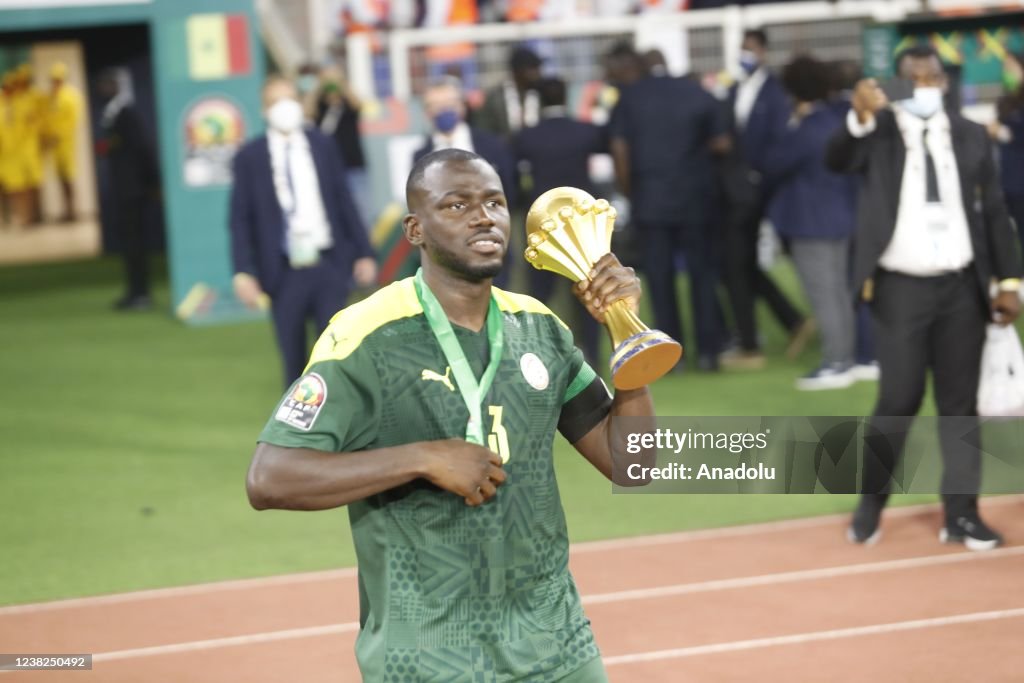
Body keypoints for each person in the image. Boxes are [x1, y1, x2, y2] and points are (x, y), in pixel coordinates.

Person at [246, 148, 656, 681]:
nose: (483, 216)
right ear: (415, 230)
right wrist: (421, 459)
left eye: (494, 202)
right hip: (429, 659)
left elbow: (638, 465)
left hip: (557, 646)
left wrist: (627, 334)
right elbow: (270, 478)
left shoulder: (540, 327)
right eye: (457, 205)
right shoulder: (366, 337)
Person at [827, 45, 1022, 549]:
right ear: (896, 85)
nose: (924, 87)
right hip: (900, 288)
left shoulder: (970, 133)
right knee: (899, 398)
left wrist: (1009, 282)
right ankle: (869, 505)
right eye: (912, 80)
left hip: (961, 287)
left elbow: (995, 212)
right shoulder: (881, 132)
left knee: (959, 405)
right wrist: (861, 115)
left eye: (932, 77)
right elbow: (838, 159)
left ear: (945, 81)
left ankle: (961, 515)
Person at [229, 76, 377, 387]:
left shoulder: (322, 145)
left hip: (329, 263)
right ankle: (297, 433)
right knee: (293, 361)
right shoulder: (250, 157)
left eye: (289, 99)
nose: (284, 107)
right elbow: (240, 218)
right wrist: (243, 271)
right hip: (283, 271)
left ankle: (343, 428)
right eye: (275, 102)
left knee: (336, 355)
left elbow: (344, 200)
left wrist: (363, 252)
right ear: (263, 110)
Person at [609, 49, 728, 371]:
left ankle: (672, 356)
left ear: (644, 68)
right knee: (702, 276)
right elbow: (722, 143)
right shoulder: (695, 92)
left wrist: (630, 190)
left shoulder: (630, 98)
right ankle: (709, 353)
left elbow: (620, 149)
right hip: (696, 199)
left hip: (650, 200)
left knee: (660, 281)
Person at [762, 56, 859, 390]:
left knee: (825, 295)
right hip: (842, 215)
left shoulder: (803, 130)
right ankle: (846, 357)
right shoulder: (837, 119)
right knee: (840, 293)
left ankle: (836, 362)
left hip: (810, 222)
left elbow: (772, 164)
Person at [720, 29, 812, 369]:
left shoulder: (775, 93)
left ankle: (750, 344)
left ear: (764, 52)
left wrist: (758, 177)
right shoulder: (731, 89)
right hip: (734, 190)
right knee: (740, 264)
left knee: (736, 263)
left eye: (751, 48)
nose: (745, 54)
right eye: (742, 48)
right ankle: (790, 321)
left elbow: (776, 141)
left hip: (757, 191)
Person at [513, 76, 605, 365]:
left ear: (538, 102)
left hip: (543, 226)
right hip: (580, 225)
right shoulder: (586, 132)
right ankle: (593, 352)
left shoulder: (527, 136)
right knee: (588, 287)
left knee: (539, 294)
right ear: (567, 97)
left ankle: (535, 352)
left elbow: (515, 178)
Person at [95, 68, 159, 310]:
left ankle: (141, 294)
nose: (102, 88)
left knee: (135, 244)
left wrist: (152, 183)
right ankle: (135, 291)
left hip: (134, 192)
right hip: (125, 191)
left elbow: (144, 150)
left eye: (107, 83)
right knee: (129, 243)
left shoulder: (127, 115)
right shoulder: (114, 115)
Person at [314, 67, 371, 230]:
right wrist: (320, 87)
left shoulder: (348, 105)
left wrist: (341, 84)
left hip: (353, 166)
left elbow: (358, 104)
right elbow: (307, 111)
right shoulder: (319, 106)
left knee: (361, 211)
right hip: (328, 168)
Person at [991, 51, 1024, 258]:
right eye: (1005, 68)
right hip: (1011, 183)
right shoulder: (1005, 101)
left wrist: (1003, 133)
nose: (1007, 72)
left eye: (1011, 67)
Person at [473, 45, 542, 140]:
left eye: (537, 68)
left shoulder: (542, 94)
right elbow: (484, 130)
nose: (537, 73)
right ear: (517, 71)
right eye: (532, 69)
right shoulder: (495, 98)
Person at [44, 61, 83, 223]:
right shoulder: (53, 96)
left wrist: (59, 135)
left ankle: (73, 211)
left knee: (68, 178)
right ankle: (67, 211)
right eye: (53, 79)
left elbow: (72, 120)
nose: (55, 82)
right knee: (61, 178)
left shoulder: (71, 96)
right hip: (56, 145)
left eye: (57, 79)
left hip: (66, 143)